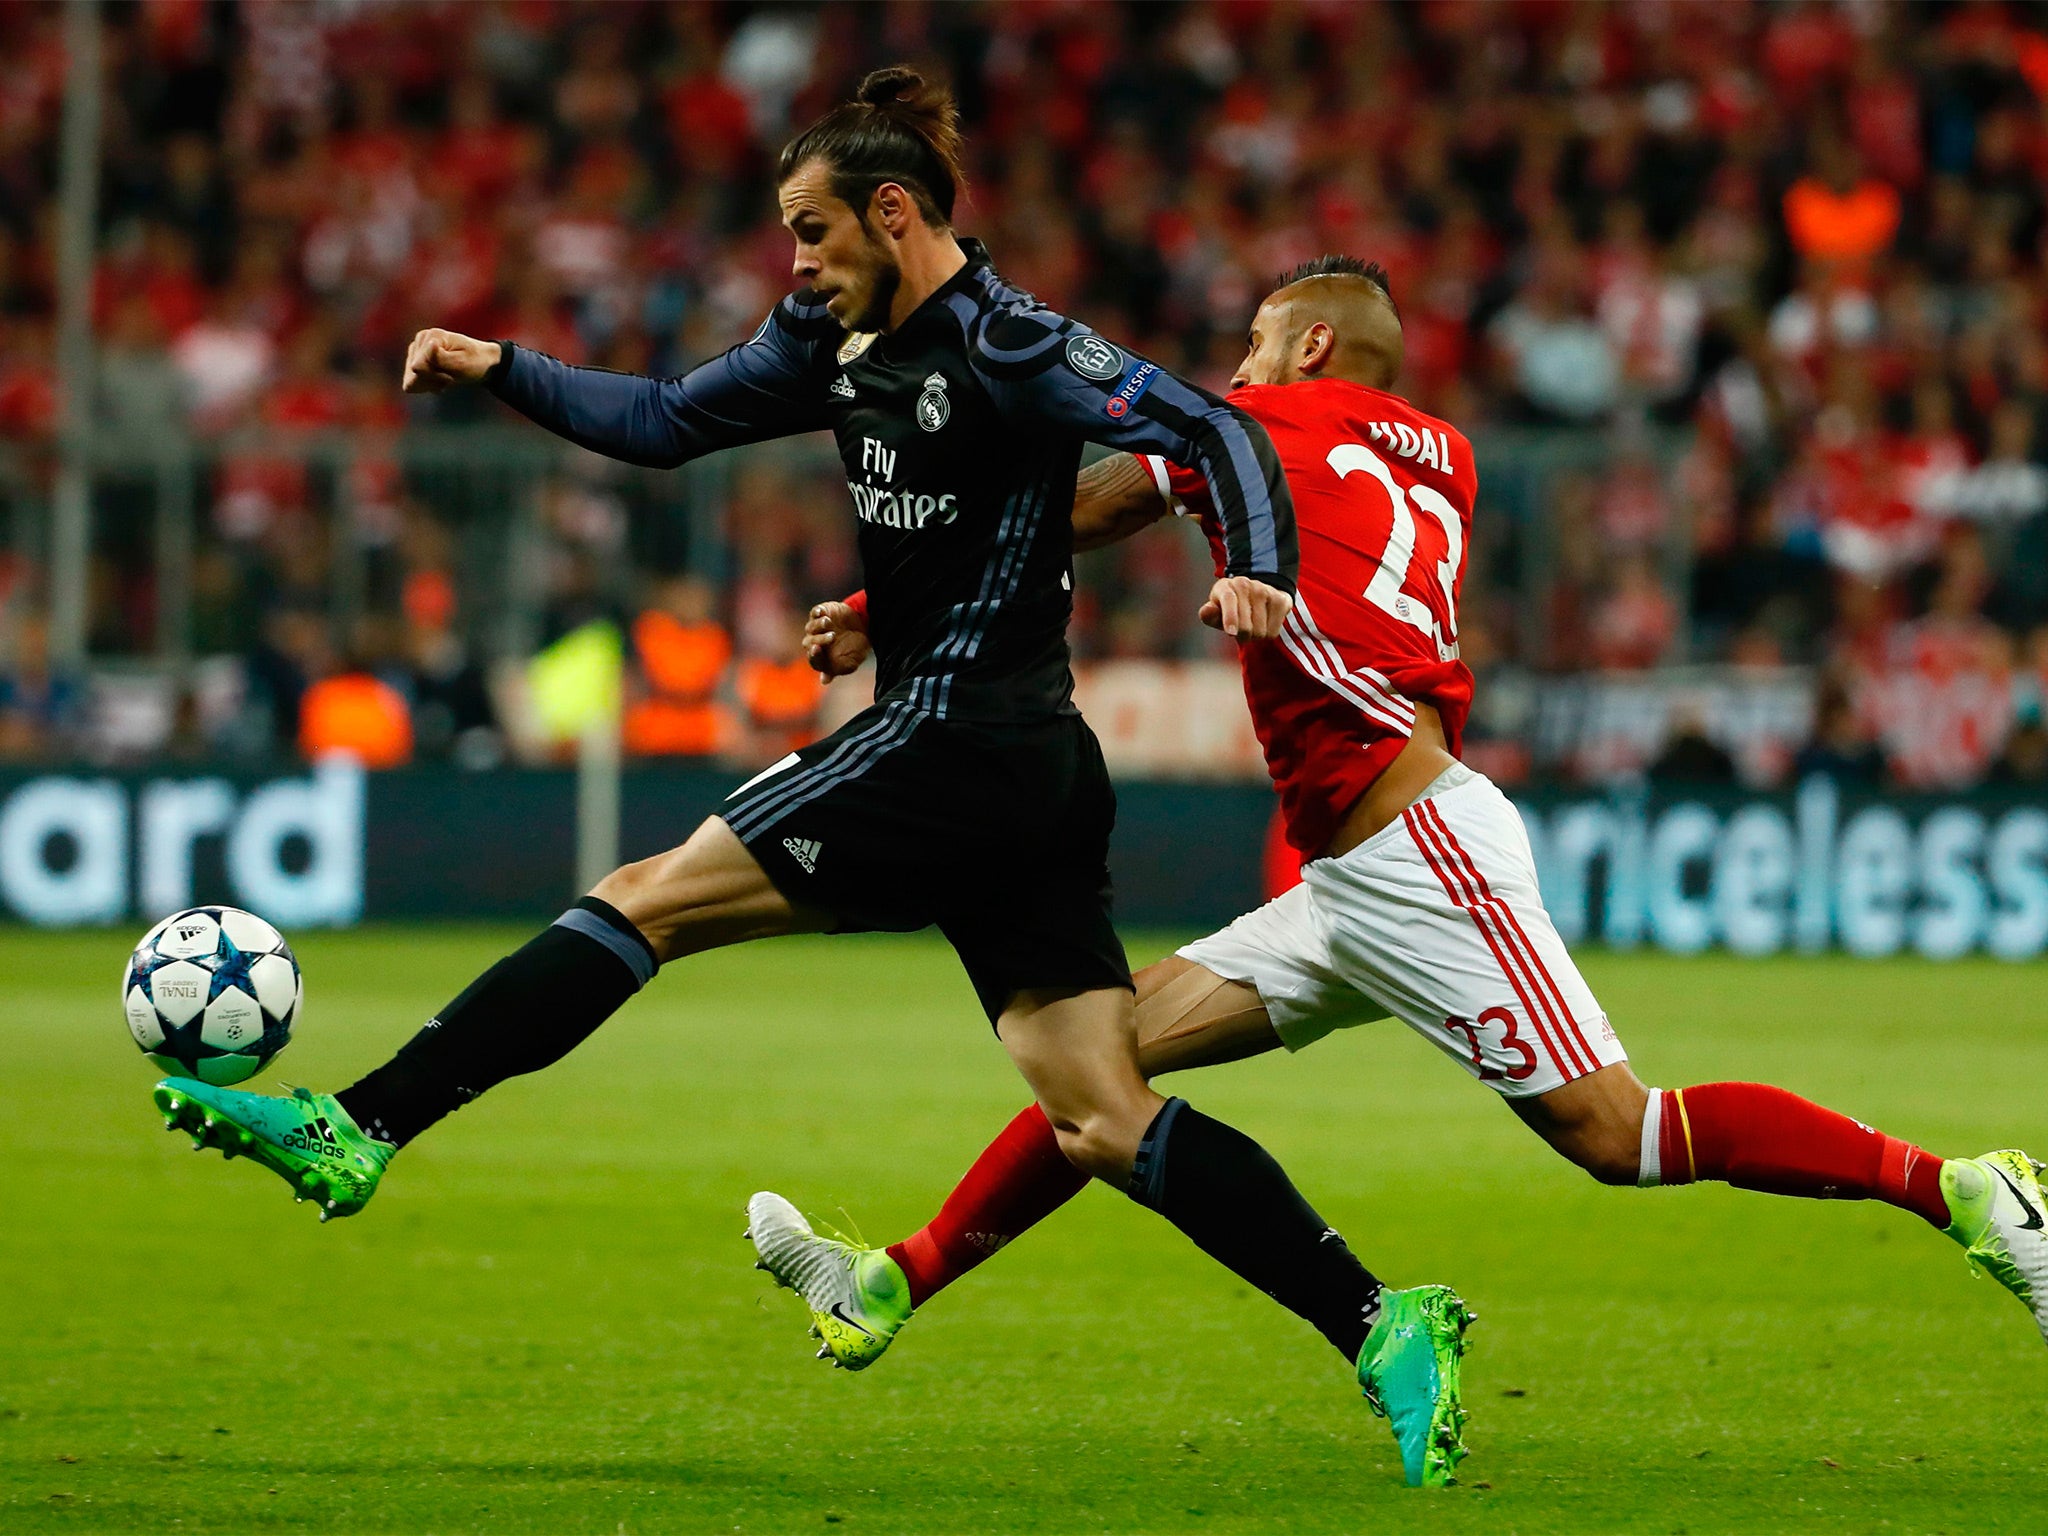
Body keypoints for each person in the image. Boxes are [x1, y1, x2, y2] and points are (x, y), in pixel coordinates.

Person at [147, 71, 1473, 1489]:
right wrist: (504, 371)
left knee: (643, 899)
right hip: (1022, 768)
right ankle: (1383, 1322)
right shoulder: (826, 340)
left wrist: (1259, 572)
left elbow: (1210, 428)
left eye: (812, 230)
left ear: (891, 212)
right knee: (1100, 1114)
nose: (796, 261)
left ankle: (360, 1128)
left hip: (952, 740)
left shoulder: (1018, 341)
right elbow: (662, 419)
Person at [750, 256, 2048, 1441]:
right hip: (1350, 873)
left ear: (1309, 345)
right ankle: (888, 1285)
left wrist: (877, 603)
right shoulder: (1449, 455)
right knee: (1109, 1067)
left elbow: (1075, 512)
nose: (1237, 366)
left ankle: (1965, 1192)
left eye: (1257, 341)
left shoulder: (1246, 422)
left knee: (1619, 1131)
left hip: (1421, 849)